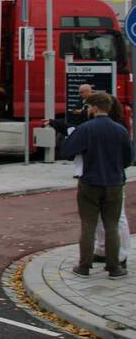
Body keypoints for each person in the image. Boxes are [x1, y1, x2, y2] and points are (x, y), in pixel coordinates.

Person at [62, 91, 132, 279]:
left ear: (93, 107)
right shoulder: (120, 130)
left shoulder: (86, 128)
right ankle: (114, 267)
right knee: (112, 225)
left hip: (90, 182)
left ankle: (84, 266)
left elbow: (68, 151)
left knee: (88, 225)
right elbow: (128, 159)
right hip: (115, 183)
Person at [93, 93, 131, 269]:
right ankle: (106, 250)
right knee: (110, 217)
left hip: (106, 177)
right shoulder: (120, 127)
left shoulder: (116, 127)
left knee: (115, 217)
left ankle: (119, 253)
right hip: (115, 176)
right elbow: (127, 158)